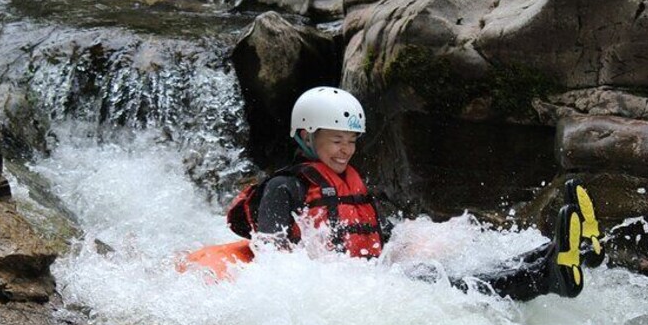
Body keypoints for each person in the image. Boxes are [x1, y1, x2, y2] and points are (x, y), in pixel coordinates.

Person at [231, 86, 604, 300]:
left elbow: (381, 236)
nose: (345, 150)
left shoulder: (353, 185)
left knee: (449, 270)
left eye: (350, 142)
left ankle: (564, 253)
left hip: (367, 278)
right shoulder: (285, 187)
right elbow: (276, 260)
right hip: (340, 293)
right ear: (306, 137)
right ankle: (546, 277)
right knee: (448, 285)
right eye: (335, 141)